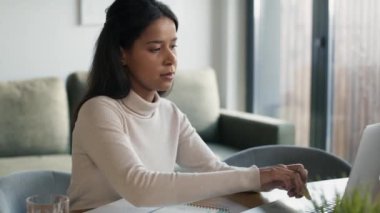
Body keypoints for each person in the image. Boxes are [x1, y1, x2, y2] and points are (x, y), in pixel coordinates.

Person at [67, 0, 308, 211]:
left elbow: (212, 169)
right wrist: (255, 177)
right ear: (122, 55)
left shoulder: (170, 113)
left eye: (173, 46)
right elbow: (139, 187)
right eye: (155, 48)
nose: (171, 59)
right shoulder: (99, 111)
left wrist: (267, 177)